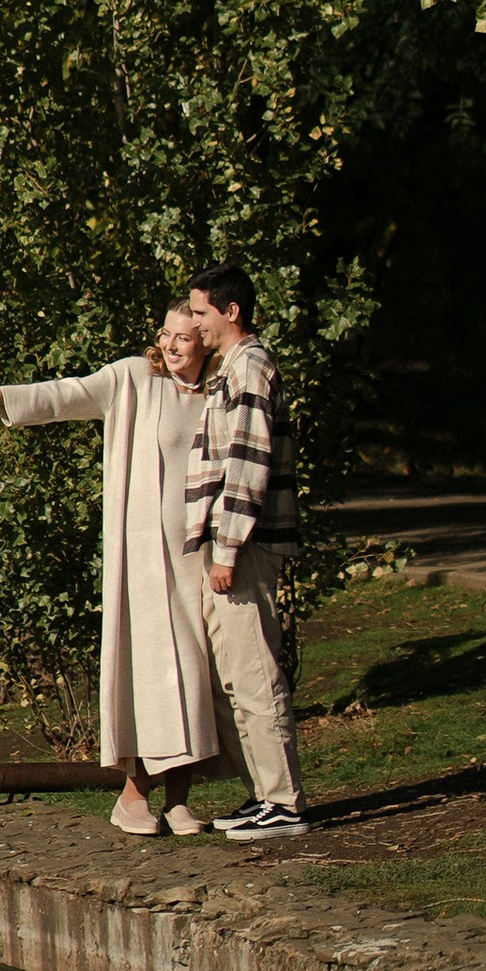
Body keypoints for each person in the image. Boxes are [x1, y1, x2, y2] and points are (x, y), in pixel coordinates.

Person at [0, 309, 221, 839]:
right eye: (164, 333)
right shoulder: (133, 378)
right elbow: (67, 394)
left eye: (183, 337)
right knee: (149, 677)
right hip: (144, 562)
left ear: (205, 343)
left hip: (198, 559)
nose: (168, 344)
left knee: (194, 674)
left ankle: (180, 800)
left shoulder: (218, 391)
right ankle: (133, 795)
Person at [182, 266, 309, 841]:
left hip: (246, 545)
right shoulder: (229, 371)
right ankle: (264, 795)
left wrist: (228, 549)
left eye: (201, 312)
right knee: (235, 676)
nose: (194, 323)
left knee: (255, 673)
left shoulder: (250, 368)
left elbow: (249, 465)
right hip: (232, 543)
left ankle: (283, 802)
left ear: (231, 312)